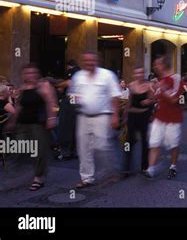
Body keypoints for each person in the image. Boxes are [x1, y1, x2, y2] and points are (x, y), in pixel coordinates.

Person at [69, 51, 122, 188]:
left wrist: (115, 116)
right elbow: (72, 95)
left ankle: (110, 170)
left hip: (102, 116)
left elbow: (115, 96)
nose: (89, 63)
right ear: (83, 62)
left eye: (92, 60)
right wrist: (75, 100)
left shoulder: (107, 75)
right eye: (86, 61)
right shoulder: (78, 76)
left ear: (97, 61)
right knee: (83, 148)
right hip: (83, 116)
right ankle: (87, 178)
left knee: (101, 146)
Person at [6, 63, 57, 191]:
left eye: (33, 73)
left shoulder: (43, 86)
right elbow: (18, 106)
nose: (31, 75)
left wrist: (52, 117)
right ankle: (19, 171)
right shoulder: (22, 88)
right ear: (23, 75)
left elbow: (51, 103)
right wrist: (12, 121)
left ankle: (38, 178)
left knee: (39, 151)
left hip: (38, 123)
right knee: (18, 146)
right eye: (28, 73)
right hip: (23, 123)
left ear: (37, 74)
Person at [145, 55, 183, 179]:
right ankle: (151, 169)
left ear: (164, 65)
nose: (155, 67)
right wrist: (149, 99)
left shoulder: (176, 79)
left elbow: (173, 99)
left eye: (157, 64)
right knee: (154, 142)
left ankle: (173, 166)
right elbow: (155, 99)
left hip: (173, 118)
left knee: (173, 144)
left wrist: (162, 88)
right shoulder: (157, 81)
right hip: (159, 117)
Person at [123, 66, 154, 175]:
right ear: (134, 74)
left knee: (144, 141)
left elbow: (153, 99)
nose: (139, 75)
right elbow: (129, 101)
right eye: (137, 73)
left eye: (141, 73)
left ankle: (144, 167)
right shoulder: (131, 85)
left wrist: (148, 101)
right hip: (132, 115)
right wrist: (125, 115)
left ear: (143, 73)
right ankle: (126, 166)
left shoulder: (149, 85)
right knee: (129, 141)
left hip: (144, 116)